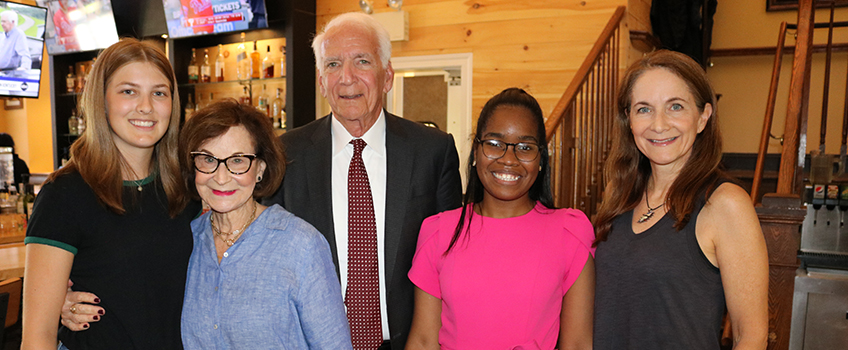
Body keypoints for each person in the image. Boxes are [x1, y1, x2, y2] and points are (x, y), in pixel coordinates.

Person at [263, 12, 463, 350]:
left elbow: (452, 260)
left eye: (362, 61)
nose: (347, 78)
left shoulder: (432, 151)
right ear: (320, 80)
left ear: (387, 76)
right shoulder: (286, 155)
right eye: (333, 65)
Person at [21, 38, 199, 350]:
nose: (146, 106)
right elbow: (37, 337)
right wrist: (57, 305)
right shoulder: (65, 194)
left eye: (159, 93)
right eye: (128, 91)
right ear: (101, 100)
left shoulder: (188, 188)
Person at [592, 50, 768, 350]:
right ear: (628, 120)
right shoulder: (619, 194)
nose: (659, 125)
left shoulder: (725, 204)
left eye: (675, 107)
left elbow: (750, 336)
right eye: (644, 109)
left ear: (703, 117)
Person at [404, 88, 595, 350]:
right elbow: (424, 341)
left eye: (525, 147)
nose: (508, 159)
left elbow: (577, 344)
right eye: (494, 144)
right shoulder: (438, 232)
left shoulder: (570, 231)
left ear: (540, 160)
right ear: (476, 152)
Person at [179, 99, 352, 349]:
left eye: (237, 160)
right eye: (207, 159)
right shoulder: (186, 242)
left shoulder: (301, 245)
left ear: (260, 168)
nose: (220, 176)